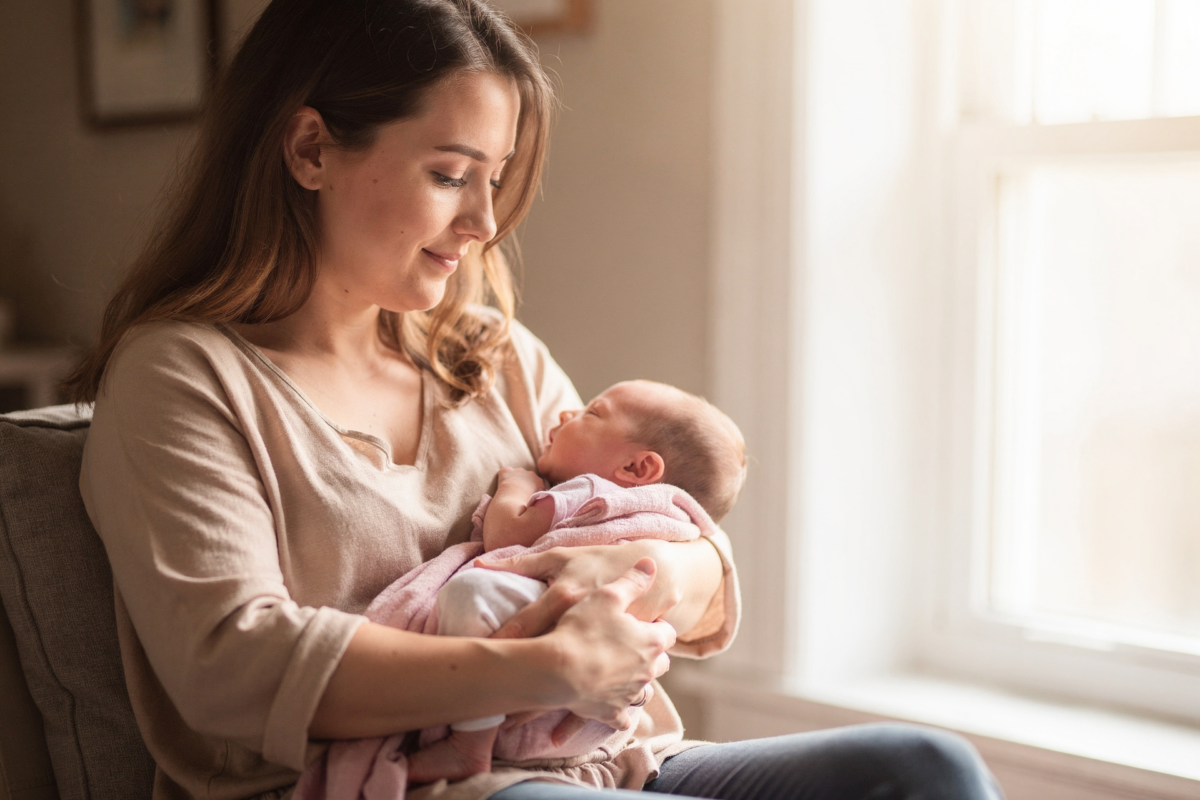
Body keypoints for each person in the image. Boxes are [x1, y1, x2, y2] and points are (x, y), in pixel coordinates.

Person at [67, 2, 1003, 800]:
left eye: (495, 179)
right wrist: (544, 665)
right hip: (400, 784)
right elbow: (230, 665)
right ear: (311, 149)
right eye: (449, 175)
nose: (482, 224)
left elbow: (685, 547)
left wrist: (641, 579)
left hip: (600, 762)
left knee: (926, 770)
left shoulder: (491, 355)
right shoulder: (182, 378)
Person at [405, 380, 746, 784]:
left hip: (557, 667)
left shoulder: (590, 491)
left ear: (637, 469)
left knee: (472, 592)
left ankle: (468, 746)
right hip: (600, 721)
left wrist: (516, 488)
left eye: (591, 412)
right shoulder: (676, 517)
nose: (566, 413)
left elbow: (507, 538)